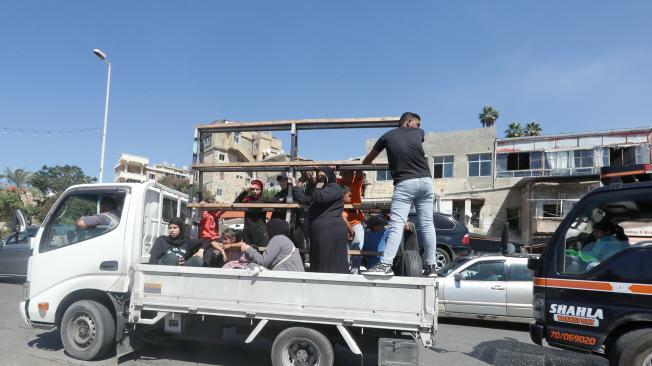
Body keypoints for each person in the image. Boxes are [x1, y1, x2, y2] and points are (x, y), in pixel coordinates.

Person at [360, 112, 437, 276]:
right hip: (425, 181)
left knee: (396, 225)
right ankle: (431, 267)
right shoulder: (419, 133)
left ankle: (386, 265)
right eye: (417, 123)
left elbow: (367, 160)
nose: (420, 127)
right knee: (427, 224)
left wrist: (368, 163)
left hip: (404, 183)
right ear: (409, 122)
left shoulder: (386, 136)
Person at [292, 167, 349, 273]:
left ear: (330, 176)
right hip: (322, 233)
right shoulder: (322, 191)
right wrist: (295, 187)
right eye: (318, 177)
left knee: (330, 265)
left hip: (331, 232)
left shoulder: (334, 188)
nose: (320, 179)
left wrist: (318, 186)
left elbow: (319, 198)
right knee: (320, 263)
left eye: (322, 177)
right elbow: (306, 200)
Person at [226, 218, 304, 271]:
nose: (266, 233)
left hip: (288, 280)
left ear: (273, 229)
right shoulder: (285, 240)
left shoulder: (278, 239)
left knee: (252, 266)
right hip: (290, 277)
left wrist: (247, 248)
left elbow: (263, 262)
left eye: (268, 229)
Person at [148, 218, 225, 266]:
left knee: (197, 260)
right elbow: (153, 260)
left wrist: (201, 250)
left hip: (182, 270)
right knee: (172, 257)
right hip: (164, 269)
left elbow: (208, 239)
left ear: (181, 229)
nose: (171, 230)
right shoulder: (162, 240)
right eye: (170, 228)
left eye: (175, 228)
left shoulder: (187, 241)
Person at [270, 175, 306, 252]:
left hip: (295, 227)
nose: (281, 182)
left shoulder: (296, 192)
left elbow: (303, 200)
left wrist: (295, 186)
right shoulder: (279, 195)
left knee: (298, 251)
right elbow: (269, 200)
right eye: (280, 180)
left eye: (284, 180)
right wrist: (278, 201)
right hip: (282, 230)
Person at [234, 179, 269, 247]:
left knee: (262, 253)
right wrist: (246, 191)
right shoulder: (247, 200)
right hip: (248, 231)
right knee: (247, 254)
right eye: (253, 189)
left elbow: (276, 201)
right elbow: (235, 203)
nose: (255, 191)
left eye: (257, 189)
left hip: (260, 231)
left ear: (261, 190)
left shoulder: (264, 199)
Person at [342, 186, 365, 273]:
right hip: (345, 227)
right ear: (342, 196)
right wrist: (351, 232)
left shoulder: (354, 201)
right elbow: (344, 218)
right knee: (345, 252)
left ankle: (354, 272)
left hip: (356, 224)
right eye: (349, 196)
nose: (351, 198)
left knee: (357, 249)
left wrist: (352, 232)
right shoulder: (339, 205)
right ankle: (345, 271)